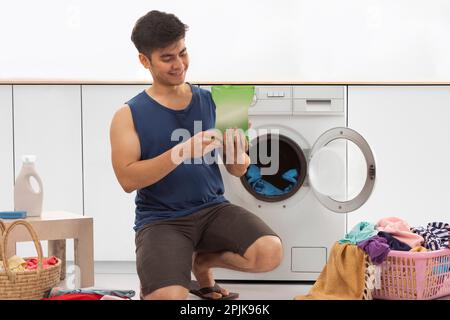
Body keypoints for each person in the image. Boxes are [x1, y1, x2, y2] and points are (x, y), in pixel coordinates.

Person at [109, 10, 282, 300]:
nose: (179, 65)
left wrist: (238, 150)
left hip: (214, 209)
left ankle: (202, 262)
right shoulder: (127, 115)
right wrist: (181, 151)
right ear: (144, 60)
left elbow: (238, 169)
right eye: (167, 58)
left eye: (183, 53)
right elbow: (127, 179)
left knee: (270, 252)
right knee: (169, 298)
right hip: (161, 219)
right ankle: (168, 275)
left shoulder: (213, 100)